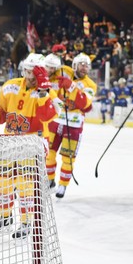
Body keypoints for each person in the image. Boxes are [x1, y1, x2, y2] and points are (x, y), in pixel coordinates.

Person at [0, 53, 59, 238]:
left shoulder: (48, 92)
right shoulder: (10, 86)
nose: (28, 75)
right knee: (3, 181)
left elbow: (46, 116)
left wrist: (42, 91)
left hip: (32, 144)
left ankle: (25, 222)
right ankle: (5, 217)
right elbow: (3, 114)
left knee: (25, 185)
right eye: (26, 70)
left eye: (33, 72)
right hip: (9, 142)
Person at [45, 53, 96, 198]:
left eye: (87, 65)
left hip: (74, 125)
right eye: (82, 64)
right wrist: (55, 55)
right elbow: (48, 72)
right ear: (74, 65)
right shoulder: (63, 70)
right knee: (49, 153)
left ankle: (63, 185)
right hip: (55, 120)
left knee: (68, 157)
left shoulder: (90, 85)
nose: (85, 67)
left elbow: (84, 103)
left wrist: (71, 87)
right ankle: (49, 180)